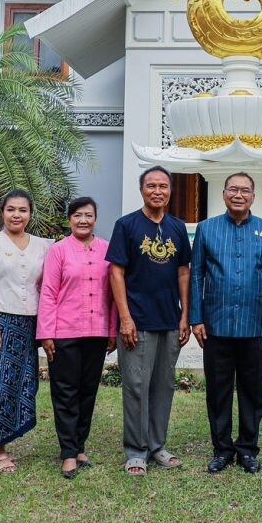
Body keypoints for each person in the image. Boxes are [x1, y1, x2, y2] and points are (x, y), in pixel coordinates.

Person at [190, 173, 262, 475]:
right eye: (233, 189)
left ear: (253, 197)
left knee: (252, 390)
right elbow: (196, 276)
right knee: (218, 390)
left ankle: (247, 449)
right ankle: (222, 449)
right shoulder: (207, 229)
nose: (239, 195)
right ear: (224, 194)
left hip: (254, 324)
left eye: (245, 190)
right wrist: (196, 318)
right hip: (215, 325)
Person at [107, 166, 192, 476]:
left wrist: (185, 315)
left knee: (163, 385)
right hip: (138, 321)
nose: (158, 191)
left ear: (170, 190)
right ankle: (136, 451)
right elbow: (116, 272)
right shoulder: (126, 225)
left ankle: (157, 446)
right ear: (142, 189)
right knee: (136, 386)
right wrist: (125, 319)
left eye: (163, 186)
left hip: (170, 320)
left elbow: (184, 270)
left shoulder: (177, 227)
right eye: (151, 186)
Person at [0, 189, 52, 474]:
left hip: (29, 325)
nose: (16, 215)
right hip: (0, 324)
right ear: (2, 212)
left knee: (23, 384)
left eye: (22, 210)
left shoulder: (43, 246)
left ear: (30, 214)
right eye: (11, 209)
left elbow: (47, 287)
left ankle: (8, 436)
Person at [38, 197, 117, 480]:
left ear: (96, 218)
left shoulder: (108, 249)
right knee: (65, 392)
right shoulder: (58, 251)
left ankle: (80, 445)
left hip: (97, 333)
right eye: (77, 216)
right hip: (64, 333)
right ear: (69, 219)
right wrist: (46, 334)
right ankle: (68, 452)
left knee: (88, 391)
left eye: (89, 215)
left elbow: (113, 294)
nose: (83, 220)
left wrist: (112, 331)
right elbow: (48, 292)